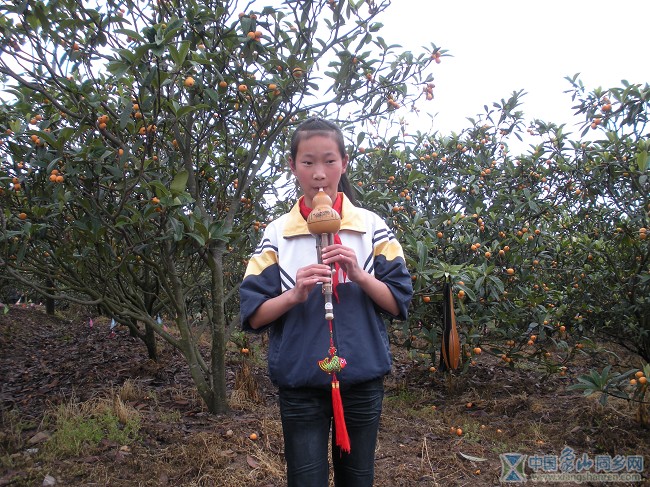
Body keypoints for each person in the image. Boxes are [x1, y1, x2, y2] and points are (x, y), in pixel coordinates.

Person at [239, 117, 413, 487]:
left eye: (329, 161)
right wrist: (294, 294)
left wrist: (360, 274)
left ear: (344, 163)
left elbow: (398, 303)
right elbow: (254, 316)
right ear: (293, 167)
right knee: (305, 480)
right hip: (301, 381)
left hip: (361, 379)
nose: (319, 174)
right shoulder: (277, 234)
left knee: (358, 478)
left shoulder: (370, 227)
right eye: (308, 162)